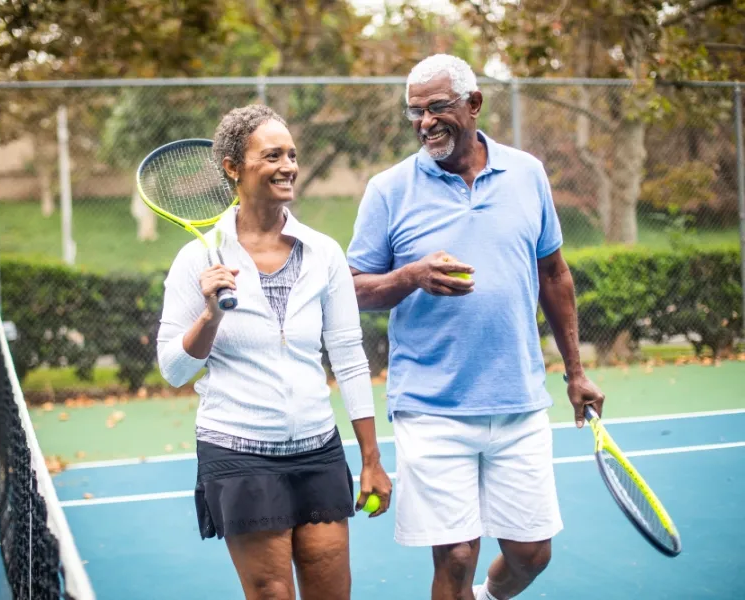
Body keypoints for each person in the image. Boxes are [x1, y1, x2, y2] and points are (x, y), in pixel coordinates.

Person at [346, 54, 606, 600]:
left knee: (531, 555)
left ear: (474, 103)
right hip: (431, 405)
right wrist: (411, 277)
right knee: (457, 557)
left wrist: (575, 373)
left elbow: (553, 273)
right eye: (414, 112)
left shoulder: (527, 172)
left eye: (437, 107)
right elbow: (350, 288)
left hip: (519, 398)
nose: (424, 122)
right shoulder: (388, 189)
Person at [157, 104, 392, 600]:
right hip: (238, 452)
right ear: (232, 167)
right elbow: (174, 369)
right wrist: (210, 315)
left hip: (318, 449)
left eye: (291, 154)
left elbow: (348, 355)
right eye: (272, 155)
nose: (288, 166)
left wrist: (371, 457)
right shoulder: (197, 257)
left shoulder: (324, 251)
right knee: (272, 594)